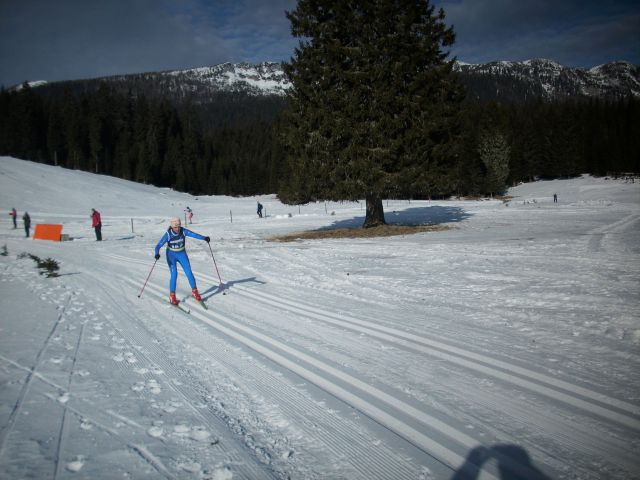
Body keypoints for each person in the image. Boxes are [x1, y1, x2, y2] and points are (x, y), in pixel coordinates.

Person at [154, 217, 210, 305]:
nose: (178, 228)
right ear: (172, 227)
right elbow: (158, 246)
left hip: (182, 254)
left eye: (179, 226)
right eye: (176, 227)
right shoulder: (168, 234)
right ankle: (172, 296)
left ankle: (195, 291)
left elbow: (194, 234)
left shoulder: (183, 231)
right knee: (174, 274)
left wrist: (204, 238)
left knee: (189, 272)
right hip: (171, 255)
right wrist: (156, 253)